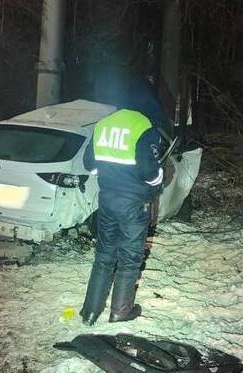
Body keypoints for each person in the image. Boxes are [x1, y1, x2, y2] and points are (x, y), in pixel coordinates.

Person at [79, 89, 164, 326]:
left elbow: (89, 165)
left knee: (104, 255)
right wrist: (159, 178)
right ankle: (120, 311)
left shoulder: (103, 124)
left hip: (107, 199)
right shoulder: (143, 126)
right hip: (134, 204)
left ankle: (90, 312)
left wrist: (108, 173)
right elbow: (150, 172)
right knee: (129, 257)